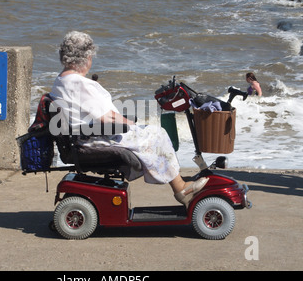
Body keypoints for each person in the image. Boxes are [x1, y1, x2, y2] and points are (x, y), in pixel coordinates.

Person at [50, 31, 208, 206]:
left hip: (83, 137)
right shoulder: (79, 83)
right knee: (157, 134)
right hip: (95, 138)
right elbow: (107, 117)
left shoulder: (61, 81)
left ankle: (179, 186)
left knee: (149, 132)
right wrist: (130, 124)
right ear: (86, 58)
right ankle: (181, 189)